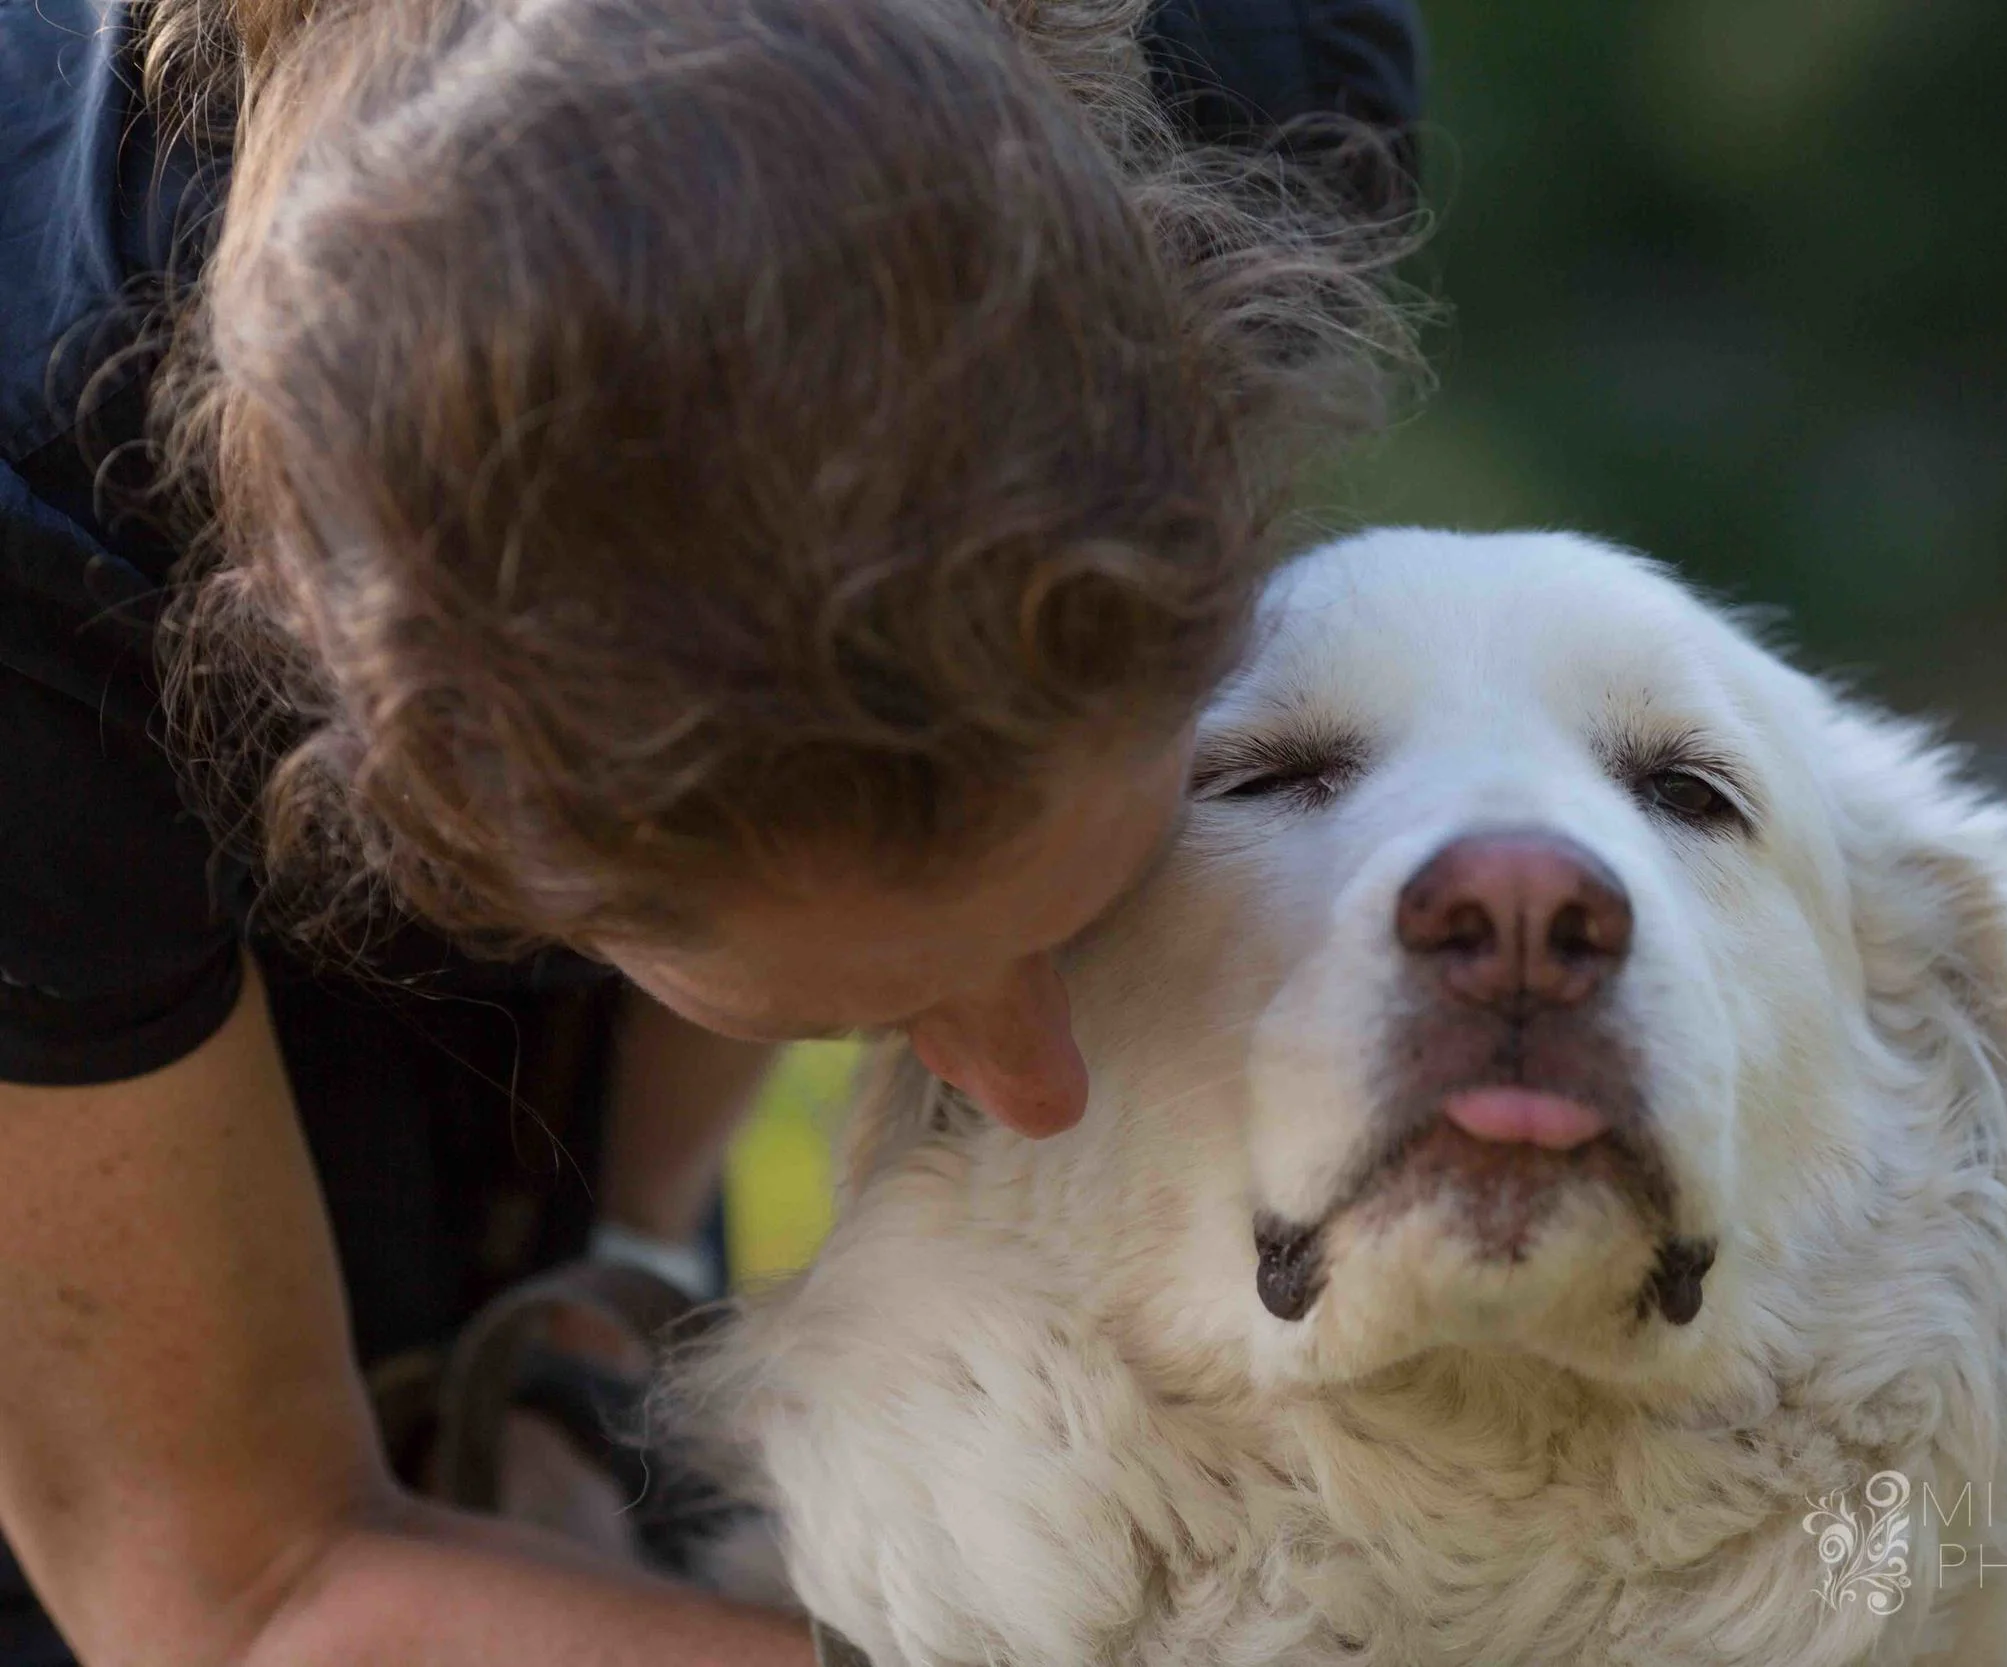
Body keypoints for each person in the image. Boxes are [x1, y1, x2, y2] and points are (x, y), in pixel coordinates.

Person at [0, 0, 1418, 1660]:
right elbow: (236, 1590)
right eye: (872, 1016)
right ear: (436, 815)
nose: (1044, 1090)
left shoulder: (1256, 83)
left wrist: (601, 1303)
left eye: (1080, 899)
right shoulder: (32, 520)